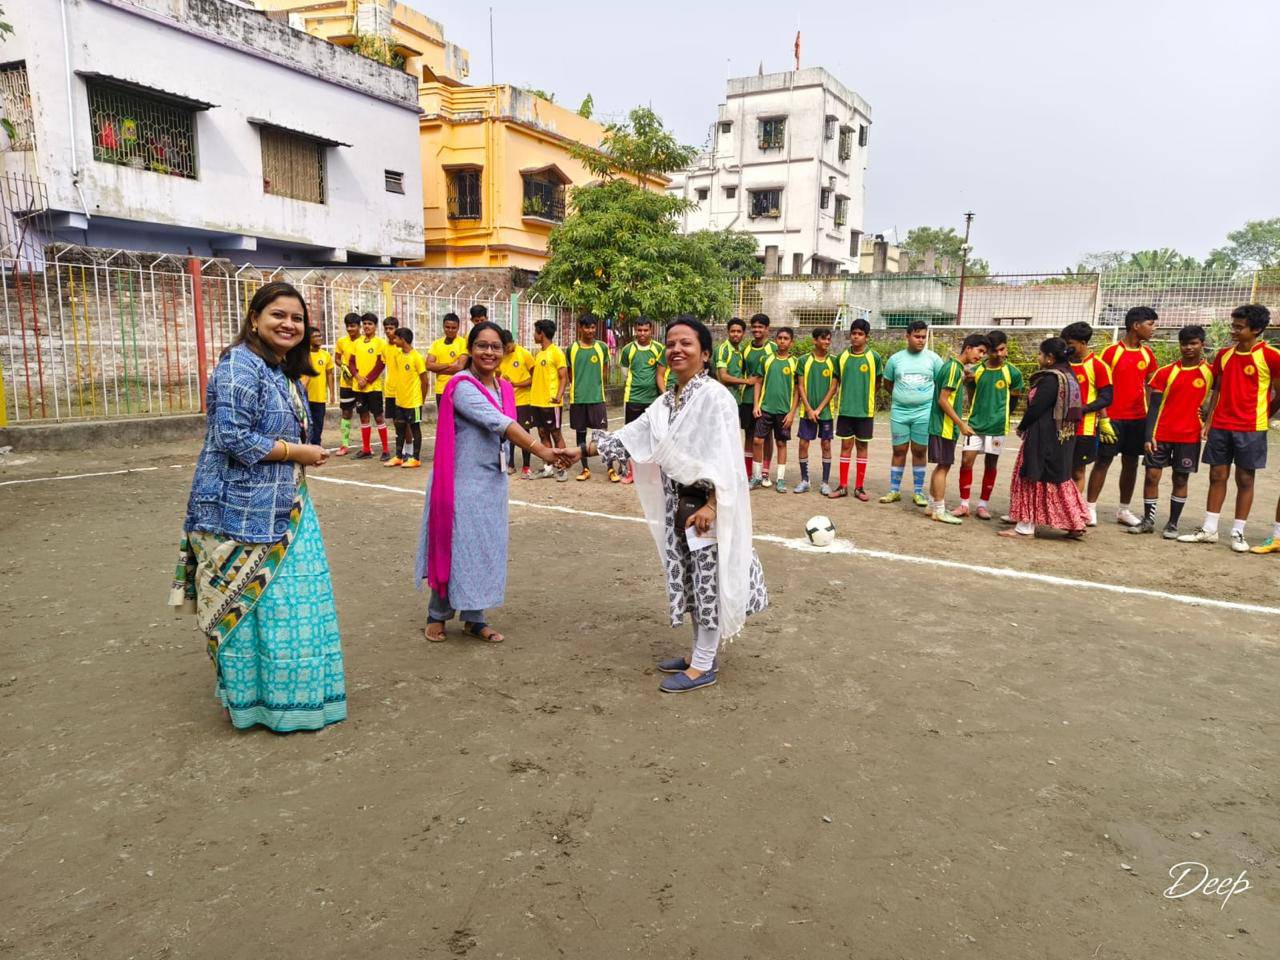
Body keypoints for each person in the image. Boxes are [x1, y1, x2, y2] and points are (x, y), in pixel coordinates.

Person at [559, 316, 769, 693]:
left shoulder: (715, 397)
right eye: (671, 343)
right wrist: (579, 450)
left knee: (707, 580)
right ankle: (699, 654)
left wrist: (713, 505)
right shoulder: (667, 401)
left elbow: (727, 459)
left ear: (705, 354)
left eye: (686, 343)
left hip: (706, 507)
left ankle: (704, 665)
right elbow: (630, 436)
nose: (676, 349)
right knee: (689, 578)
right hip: (680, 506)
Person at [170, 282, 345, 732]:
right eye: (278, 315)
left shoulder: (281, 371)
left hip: (286, 507)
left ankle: (292, 700)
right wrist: (295, 451)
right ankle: (252, 703)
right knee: (250, 610)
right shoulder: (239, 367)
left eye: (297, 319)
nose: (289, 324)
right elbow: (232, 436)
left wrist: (298, 455)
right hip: (238, 512)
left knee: (293, 606)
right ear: (254, 319)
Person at [414, 322, 558, 644]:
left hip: (492, 481)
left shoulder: (504, 388)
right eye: (482, 345)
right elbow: (501, 424)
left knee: (485, 547)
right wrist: (540, 450)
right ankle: (437, 613)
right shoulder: (461, 385)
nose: (489, 352)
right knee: (455, 544)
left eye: (495, 346)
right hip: (459, 483)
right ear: (471, 350)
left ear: (505, 351)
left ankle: (475, 618)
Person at [1179, 304, 1280, 552]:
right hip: (1222, 426)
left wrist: (1264, 414)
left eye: (1239, 327)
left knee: (1245, 478)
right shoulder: (1224, 354)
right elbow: (1218, 389)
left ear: (1256, 329)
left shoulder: (1271, 356)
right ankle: (1210, 528)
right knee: (1216, 476)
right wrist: (1210, 419)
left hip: (1251, 427)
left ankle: (1238, 532)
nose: (1233, 331)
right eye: (1232, 325)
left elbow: (1279, 391)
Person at [999, 338, 1088, 540]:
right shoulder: (1069, 375)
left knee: (1032, 475)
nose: (1038, 357)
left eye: (1040, 354)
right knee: (1058, 479)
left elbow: (1037, 408)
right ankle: (1074, 522)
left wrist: (1022, 427)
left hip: (1043, 436)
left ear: (1049, 358)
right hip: (1063, 437)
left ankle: (1025, 526)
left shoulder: (1050, 379)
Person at [1129, 325, 1211, 537]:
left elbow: (1220, 396)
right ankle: (1148, 520)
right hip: (1161, 435)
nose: (1188, 348)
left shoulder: (1210, 373)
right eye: (1184, 344)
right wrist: (1149, 436)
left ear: (1202, 345)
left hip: (1189, 436)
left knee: (1181, 479)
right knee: (1151, 476)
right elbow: (1154, 407)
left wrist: (1207, 415)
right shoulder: (1165, 372)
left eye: (1193, 343)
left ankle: (1173, 523)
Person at [1087, 307, 1158, 526]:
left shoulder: (1147, 354)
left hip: (1137, 419)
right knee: (1103, 462)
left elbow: (1150, 386)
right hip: (1113, 417)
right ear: (1136, 325)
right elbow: (1100, 386)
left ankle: (1124, 510)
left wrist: (1149, 418)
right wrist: (1104, 416)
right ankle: (1089, 508)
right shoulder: (1111, 352)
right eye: (1151, 324)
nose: (1154, 328)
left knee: (1131, 463)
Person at [955, 330, 1024, 519]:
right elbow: (971, 394)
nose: (1000, 354)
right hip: (975, 426)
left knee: (991, 463)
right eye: (995, 351)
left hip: (997, 427)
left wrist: (1002, 416)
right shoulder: (977, 370)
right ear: (987, 352)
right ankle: (964, 504)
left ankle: (983, 505)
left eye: (1003, 349)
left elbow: (1015, 399)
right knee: (966, 461)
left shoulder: (1013, 373)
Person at [925, 334, 987, 523]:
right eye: (980, 351)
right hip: (944, 426)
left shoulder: (955, 368)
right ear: (968, 348)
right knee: (943, 466)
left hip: (943, 426)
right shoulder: (953, 368)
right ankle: (939, 510)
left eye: (984, 353)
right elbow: (942, 400)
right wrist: (961, 424)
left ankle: (931, 505)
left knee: (941, 466)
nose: (981, 356)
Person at [880, 320, 942, 507]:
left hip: (924, 413)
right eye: (917, 336)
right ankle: (894, 490)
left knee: (919, 450)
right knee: (899, 450)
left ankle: (918, 492)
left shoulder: (934, 359)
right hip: (900, 412)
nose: (921, 340)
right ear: (907, 336)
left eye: (923, 337)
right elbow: (888, 384)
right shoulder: (895, 360)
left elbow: (940, 384)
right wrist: (903, 397)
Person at [829, 318, 884, 501]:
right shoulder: (842, 357)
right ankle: (843, 485)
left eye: (860, 334)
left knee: (862, 446)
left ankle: (859, 488)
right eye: (854, 333)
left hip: (865, 411)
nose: (856, 337)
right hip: (845, 410)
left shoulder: (873, 357)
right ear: (850, 335)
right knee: (845, 446)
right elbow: (836, 383)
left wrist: (865, 398)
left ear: (867, 337)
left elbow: (878, 382)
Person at [1062, 321, 1115, 509]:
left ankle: (1073, 511)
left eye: (1071, 344)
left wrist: (1082, 410)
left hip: (1085, 429)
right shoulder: (1063, 364)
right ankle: (1060, 510)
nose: (1067, 348)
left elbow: (1106, 398)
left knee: (1077, 471)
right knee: (1060, 470)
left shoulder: (1098, 366)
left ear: (1083, 343)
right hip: (1060, 427)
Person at [618, 317, 667, 484]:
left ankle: (653, 474)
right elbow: (625, 372)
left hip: (653, 400)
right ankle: (631, 473)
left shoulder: (659, 349)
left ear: (651, 330)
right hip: (632, 398)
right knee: (631, 436)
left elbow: (661, 373)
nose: (642, 334)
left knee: (654, 436)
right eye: (639, 330)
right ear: (635, 330)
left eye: (646, 330)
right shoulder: (627, 350)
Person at [751, 327, 799, 492]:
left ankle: (780, 479)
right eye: (780, 338)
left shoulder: (795, 362)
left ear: (791, 342)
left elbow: (798, 390)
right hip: (765, 408)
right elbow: (758, 382)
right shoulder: (766, 359)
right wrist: (756, 404)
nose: (782, 341)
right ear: (775, 339)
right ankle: (757, 477)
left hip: (784, 412)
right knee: (757, 441)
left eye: (786, 338)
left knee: (781, 443)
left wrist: (792, 412)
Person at [567, 313, 611, 481]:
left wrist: (595, 386)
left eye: (593, 327)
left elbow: (605, 371)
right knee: (581, 436)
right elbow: (571, 374)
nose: (590, 330)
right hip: (578, 399)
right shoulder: (573, 348)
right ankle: (585, 469)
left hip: (597, 399)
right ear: (580, 328)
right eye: (587, 327)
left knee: (602, 436)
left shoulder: (602, 347)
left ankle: (610, 468)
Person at [795, 327, 838, 495]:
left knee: (826, 444)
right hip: (807, 411)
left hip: (825, 412)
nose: (827, 342)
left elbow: (833, 388)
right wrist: (808, 408)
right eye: (823, 339)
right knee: (803, 443)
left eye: (829, 339)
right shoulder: (803, 360)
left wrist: (819, 409)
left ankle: (825, 483)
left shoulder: (834, 361)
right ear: (814, 340)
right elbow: (800, 386)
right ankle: (805, 480)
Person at [348, 312, 391, 461]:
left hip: (373, 387)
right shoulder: (357, 342)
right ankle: (366, 449)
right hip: (358, 386)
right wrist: (357, 377)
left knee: (378, 417)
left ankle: (386, 449)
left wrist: (367, 379)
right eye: (365, 323)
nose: (367, 326)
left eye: (370, 324)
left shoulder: (380, 343)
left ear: (375, 326)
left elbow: (381, 364)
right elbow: (351, 362)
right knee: (363, 417)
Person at [530, 318, 569, 480]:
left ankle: (562, 467)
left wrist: (558, 396)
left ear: (542, 333)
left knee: (556, 434)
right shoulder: (539, 354)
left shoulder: (556, 352)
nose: (533, 335)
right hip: (536, 402)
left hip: (550, 403)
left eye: (535, 331)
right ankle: (548, 467)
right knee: (542, 434)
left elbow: (563, 377)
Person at [714, 318, 754, 480]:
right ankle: (719, 473)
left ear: (743, 333)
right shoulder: (723, 349)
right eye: (733, 331)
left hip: (737, 401)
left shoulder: (741, 350)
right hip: (722, 401)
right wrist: (747, 381)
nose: (736, 334)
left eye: (739, 331)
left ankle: (731, 471)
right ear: (728, 332)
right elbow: (723, 376)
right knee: (720, 437)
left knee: (732, 436)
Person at [742, 314, 778, 485]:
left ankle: (765, 471)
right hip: (749, 398)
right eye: (754, 327)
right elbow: (746, 374)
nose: (757, 330)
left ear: (767, 329)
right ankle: (748, 472)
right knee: (749, 435)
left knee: (767, 436)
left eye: (760, 327)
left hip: (768, 400)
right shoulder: (746, 350)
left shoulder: (773, 348)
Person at [498, 328, 538, 478]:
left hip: (523, 401)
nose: (507, 350)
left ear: (512, 342)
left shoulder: (524, 354)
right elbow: (496, 376)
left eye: (508, 346)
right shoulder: (501, 357)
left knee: (524, 434)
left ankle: (526, 466)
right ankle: (511, 464)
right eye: (504, 347)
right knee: (509, 434)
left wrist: (516, 384)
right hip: (507, 403)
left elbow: (534, 377)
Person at [388, 327, 427, 469]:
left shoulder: (416, 357)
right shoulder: (398, 355)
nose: (393, 340)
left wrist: (421, 400)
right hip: (400, 400)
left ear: (403, 340)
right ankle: (398, 456)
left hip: (413, 401)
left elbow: (425, 380)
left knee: (415, 429)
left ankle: (416, 458)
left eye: (396, 338)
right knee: (399, 429)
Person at [333, 313, 360, 455]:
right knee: (346, 412)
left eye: (353, 326)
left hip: (361, 384)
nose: (350, 329)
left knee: (364, 414)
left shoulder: (364, 341)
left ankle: (366, 446)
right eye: (348, 326)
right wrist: (343, 366)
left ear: (359, 326)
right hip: (346, 384)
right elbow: (337, 358)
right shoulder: (341, 341)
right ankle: (344, 444)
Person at [427, 313, 466, 404]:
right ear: (443, 327)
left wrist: (437, 369)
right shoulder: (436, 344)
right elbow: (428, 365)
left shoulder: (463, 343)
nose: (450, 330)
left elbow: (460, 367)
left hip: (458, 388)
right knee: (442, 417)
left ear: (458, 327)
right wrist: (450, 364)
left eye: (453, 328)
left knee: (457, 418)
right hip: (441, 390)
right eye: (447, 327)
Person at [303, 327, 332, 447]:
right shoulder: (303, 355)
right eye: (315, 336)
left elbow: (329, 374)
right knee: (304, 423)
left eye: (320, 336)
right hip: (304, 396)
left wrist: (332, 393)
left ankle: (316, 446)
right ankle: (304, 445)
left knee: (318, 423)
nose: (319, 338)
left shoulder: (325, 355)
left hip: (319, 396)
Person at [381, 316, 403, 451]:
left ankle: (408, 448)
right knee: (395, 421)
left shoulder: (401, 347)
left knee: (404, 422)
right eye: (386, 329)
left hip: (402, 389)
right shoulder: (384, 348)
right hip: (389, 389)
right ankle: (399, 449)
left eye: (391, 328)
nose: (388, 331)